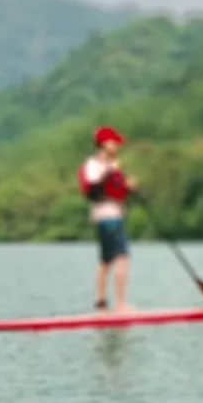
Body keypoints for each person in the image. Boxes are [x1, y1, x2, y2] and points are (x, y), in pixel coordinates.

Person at [78, 126, 137, 311]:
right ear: (104, 144)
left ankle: (102, 303)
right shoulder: (94, 164)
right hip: (108, 216)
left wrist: (129, 187)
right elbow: (94, 189)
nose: (117, 146)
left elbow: (115, 189)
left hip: (112, 215)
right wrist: (111, 170)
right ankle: (121, 305)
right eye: (114, 143)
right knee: (122, 258)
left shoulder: (111, 165)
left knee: (106, 260)